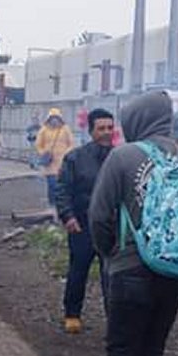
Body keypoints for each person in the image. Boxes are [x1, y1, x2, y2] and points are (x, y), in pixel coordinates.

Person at [88, 91, 178, 356]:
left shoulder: (124, 156)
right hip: (175, 272)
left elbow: (98, 215)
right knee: (150, 351)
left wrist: (109, 253)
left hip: (131, 268)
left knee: (119, 352)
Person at [55, 108, 114, 334]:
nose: (106, 133)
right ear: (91, 131)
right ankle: (72, 314)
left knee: (112, 275)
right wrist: (68, 217)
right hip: (82, 225)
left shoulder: (120, 158)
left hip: (111, 228)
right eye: (101, 128)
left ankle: (114, 319)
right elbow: (63, 189)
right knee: (78, 271)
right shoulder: (75, 158)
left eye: (110, 128)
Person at [36, 108, 75, 207]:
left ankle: (63, 205)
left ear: (60, 119)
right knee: (52, 185)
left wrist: (66, 154)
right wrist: (44, 153)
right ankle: (52, 205)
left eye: (56, 118)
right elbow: (38, 145)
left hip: (63, 164)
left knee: (63, 186)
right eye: (52, 118)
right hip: (50, 164)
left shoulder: (65, 129)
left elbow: (71, 144)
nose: (54, 120)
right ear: (49, 119)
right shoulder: (43, 130)